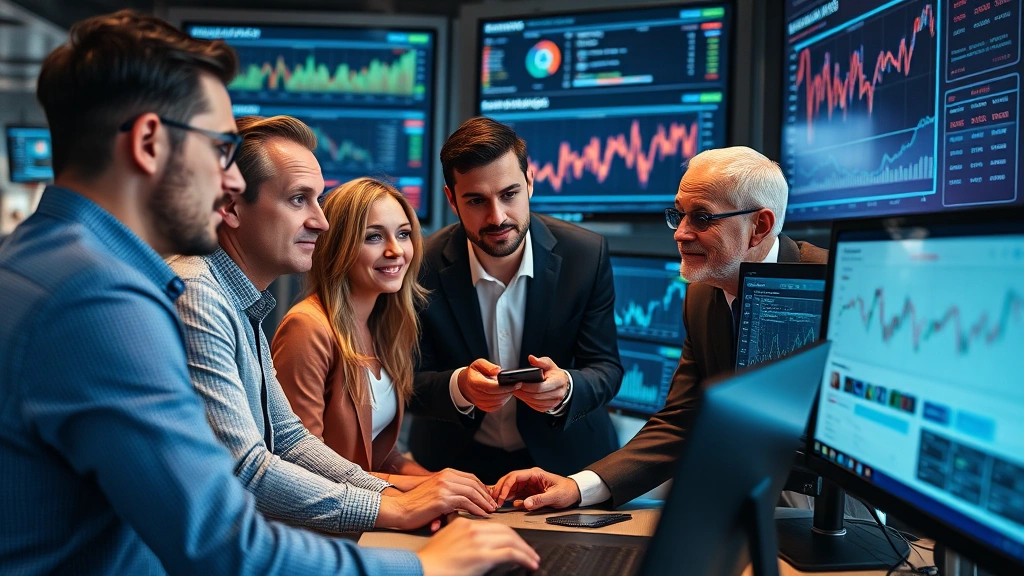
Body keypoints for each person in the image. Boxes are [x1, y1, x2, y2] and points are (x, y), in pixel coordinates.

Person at [0, 11, 537, 575]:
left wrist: (392, 498)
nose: (231, 181)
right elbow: (222, 533)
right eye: (219, 149)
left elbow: (283, 441)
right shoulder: (101, 299)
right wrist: (424, 568)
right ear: (150, 143)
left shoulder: (46, 263)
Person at [169, 116, 498, 534]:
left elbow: (289, 439)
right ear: (230, 206)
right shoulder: (198, 294)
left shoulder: (241, 301)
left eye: (317, 200)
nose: (321, 222)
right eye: (298, 199)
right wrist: (393, 509)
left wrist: (395, 495)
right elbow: (245, 470)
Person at [490, 146, 828, 510]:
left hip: (833, 503)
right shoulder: (701, 294)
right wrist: (579, 487)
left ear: (759, 227)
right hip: (745, 499)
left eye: (701, 218)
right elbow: (680, 420)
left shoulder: (836, 284)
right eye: (679, 215)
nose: (680, 234)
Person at [408, 116, 624, 484]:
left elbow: (606, 367)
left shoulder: (585, 255)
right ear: (452, 200)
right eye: (476, 200)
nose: (497, 217)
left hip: (567, 460)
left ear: (530, 182)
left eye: (509, 194)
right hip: (455, 463)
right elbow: (405, 381)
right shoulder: (418, 265)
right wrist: (459, 388)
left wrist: (566, 387)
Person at [273, 177, 435, 484]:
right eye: (374, 237)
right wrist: (427, 489)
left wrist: (443, 482)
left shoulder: (383, 325)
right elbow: (303, 466)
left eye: (403, 234)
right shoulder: (306, 328)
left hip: (367, 498)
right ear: (339, 247)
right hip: (326, 509)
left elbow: (380, 456)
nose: (396, 250)